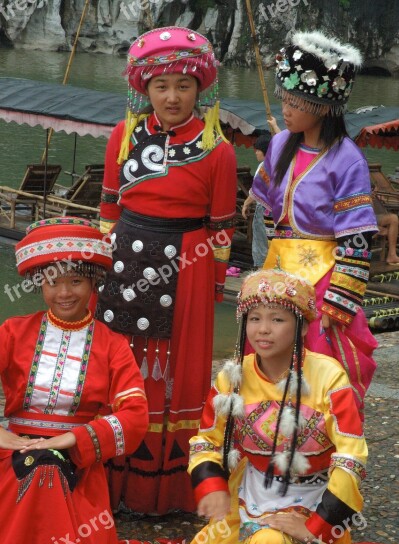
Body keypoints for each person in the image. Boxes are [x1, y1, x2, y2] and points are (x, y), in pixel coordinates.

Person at [118, 268, 399, 544]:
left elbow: (351, 459)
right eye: (254, 318)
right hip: (248, 497)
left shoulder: (329, 377)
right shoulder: (231, 379)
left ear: (302, 325)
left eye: (277, 320)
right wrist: (212, 489)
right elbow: (206, 442)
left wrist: (316, 526)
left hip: (314, 501)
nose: (263, 330)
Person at [96, 26, 237, 514]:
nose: (172, 96)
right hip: (125, 264)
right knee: (119, 364)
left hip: (188, 267)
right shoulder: (123, 135)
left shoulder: (218, 149)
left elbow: (222, 229)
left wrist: (212, 289)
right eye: (161, 86)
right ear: (144, 89)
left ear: (201, 88)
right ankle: (107, 480)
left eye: (183, 85)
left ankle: (165, 490)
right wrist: (102, 267)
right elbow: (109, 209)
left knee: (175, 372)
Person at [0, 217, 148, 544]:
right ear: (40, 284)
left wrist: (73, 439)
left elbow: (135, 417)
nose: (64, 293)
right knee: (38, 469)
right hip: (10, 450)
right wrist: (5, 438)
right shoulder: (12, 332)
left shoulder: (113, 345)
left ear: (94, 283)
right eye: (53, 282)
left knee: (47, 471)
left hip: (78, 459)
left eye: (75, 282)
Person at [249, 31, 379, 418]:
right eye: (284, 100)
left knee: (317, 365)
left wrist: (338, 303)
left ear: (322, 108)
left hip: (323, 277)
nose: (285, 110)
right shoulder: (278, 144)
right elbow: (271, 211)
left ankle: (316, 452)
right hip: (278, 269)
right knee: (264, 355)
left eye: (294, 102)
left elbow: (356, 241)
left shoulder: (347, 160)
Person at [242, 133, 272, 268]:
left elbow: (256, 190)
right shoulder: (277, 165)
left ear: (264, 150)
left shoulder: (264, 166)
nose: (256, 153)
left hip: (264, 210)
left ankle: (261, 273)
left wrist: (246, 203)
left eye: (257, 150)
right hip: (276, 211)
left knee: (261, 244)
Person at [371, 188, 399, 264]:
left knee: (394, 218)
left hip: (371, 216)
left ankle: (392, 255)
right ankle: (374, 229)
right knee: (389, 231)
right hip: (358, 218)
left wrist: (374, 196)